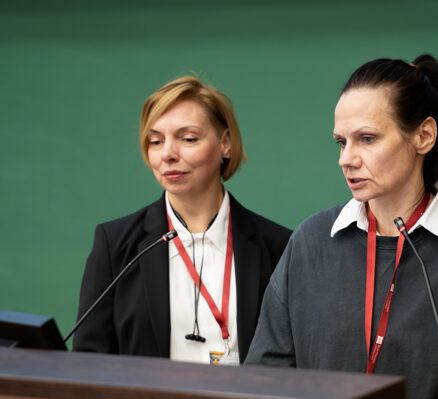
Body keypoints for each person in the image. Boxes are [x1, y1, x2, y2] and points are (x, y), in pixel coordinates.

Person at [245, 55, 438, 399]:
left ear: (423, 136)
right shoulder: (310, 243)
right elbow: (264, 379)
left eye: (366, 139)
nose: (346, 159)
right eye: (341, 142)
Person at [74, 76, 291, 365]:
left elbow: (293, 360)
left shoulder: (279, 247)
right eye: (155, 141)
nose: (167, 154)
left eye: (188, 139)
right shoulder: (115, 245)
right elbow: (88, 361)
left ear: (225, 144)